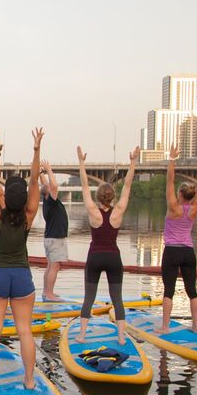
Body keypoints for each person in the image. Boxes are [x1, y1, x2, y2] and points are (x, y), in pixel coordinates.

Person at [0, 127, 44, 390]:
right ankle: (29, 380)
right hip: (22, 276)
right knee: (25, 331)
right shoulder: (29, 216)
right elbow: (34, 182)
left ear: (6, 197)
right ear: (25, 199)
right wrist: (37, 149)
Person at [74, 145, 139, 345]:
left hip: (95, 257)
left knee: (89, 298)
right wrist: (133, 162)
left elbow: (85, 186)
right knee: (117, 299)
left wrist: (82, 163)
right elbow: (127, 186)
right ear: (112, 197)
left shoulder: (93, 211)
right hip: (113, 257)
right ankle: (120, 336)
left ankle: (83, 335)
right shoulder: (118, 210)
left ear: (98, 197)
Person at [158, 144, 197, 333]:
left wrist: (172, 160)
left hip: (172, 251)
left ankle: (165, 327)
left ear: (180, 195)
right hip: (188, 252)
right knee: (192, 290)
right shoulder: (195, 208)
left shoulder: (174, 207)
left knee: (169, 291)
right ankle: (196, 326)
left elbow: (169, 182)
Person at [39, 159, 69, 301]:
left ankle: (46, 292)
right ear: (48, 192)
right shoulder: (50, 200)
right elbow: (53, 185)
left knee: (50, 266)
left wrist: (41, 173)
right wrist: (49, 169)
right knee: (55, 266)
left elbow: (46, 185)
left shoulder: (46, 201)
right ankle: (49, 294)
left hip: (50, 238)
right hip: (56, 239)